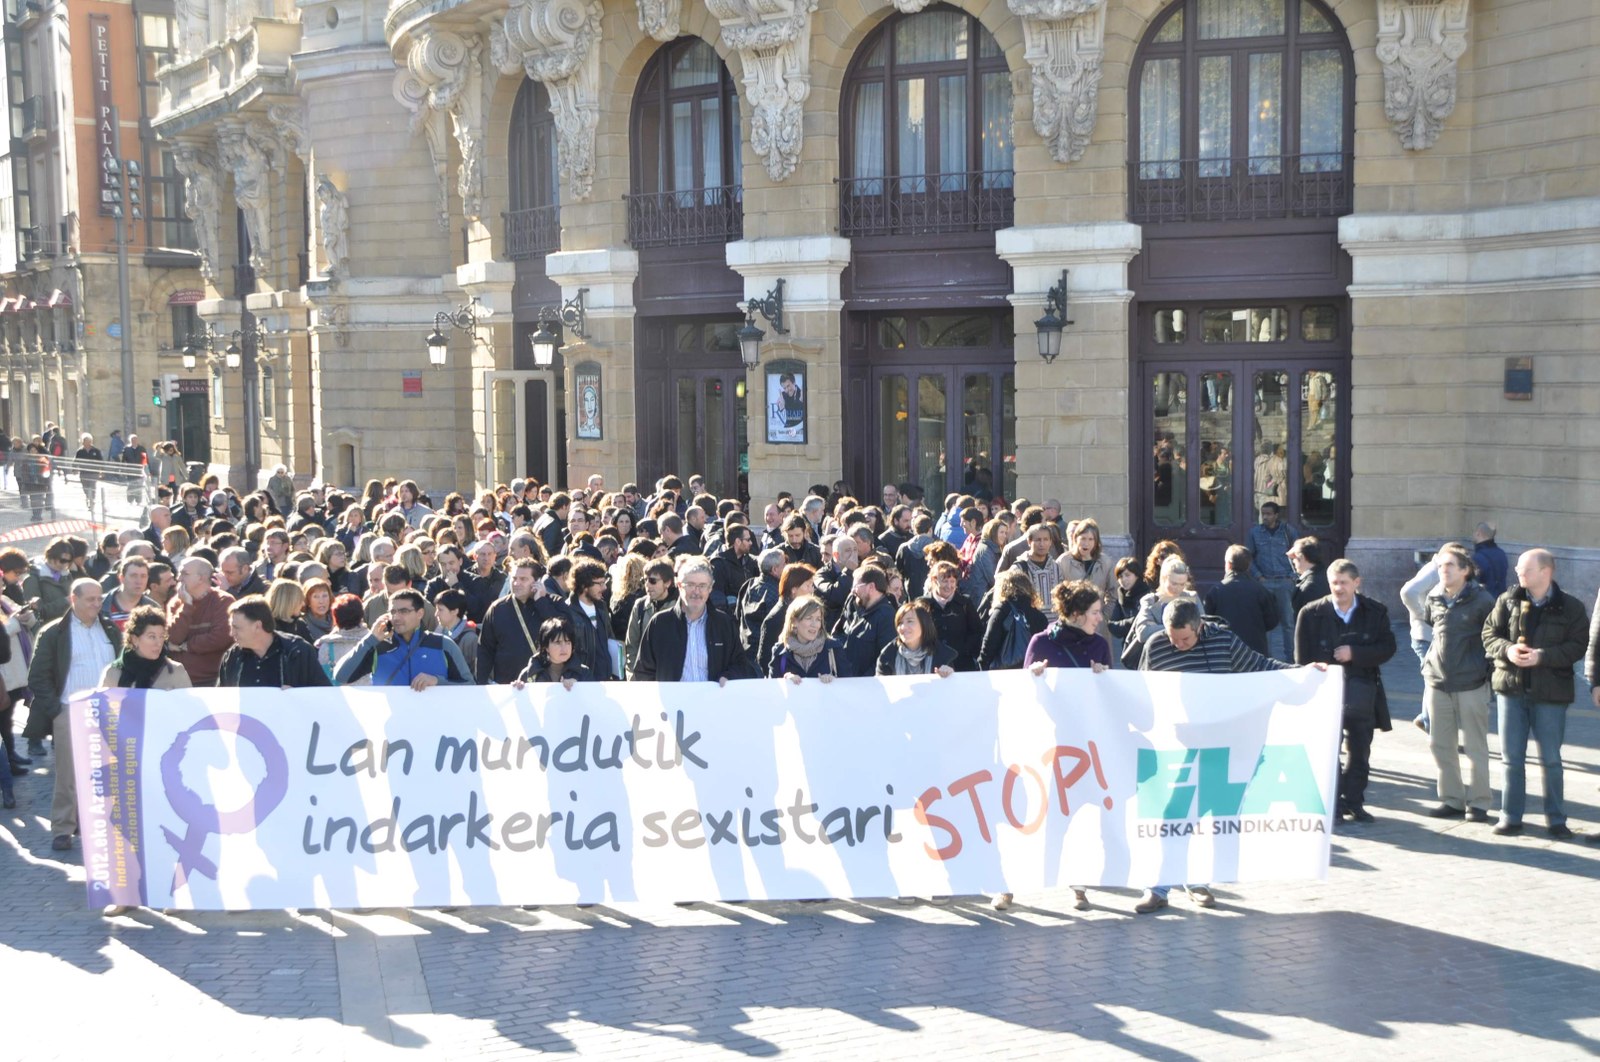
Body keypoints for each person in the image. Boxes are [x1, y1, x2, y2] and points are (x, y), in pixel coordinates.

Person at [1135, 598, 1301, 914]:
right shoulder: (1157, 646)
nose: (1178, 646)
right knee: (1173, 816)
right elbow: (1140, 689)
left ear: (1199, 627)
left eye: (1184, 639)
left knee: (1211, 817)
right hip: (1178, 748)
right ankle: (1158, 887)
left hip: (1223, 747)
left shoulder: (1223, 641)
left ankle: (1197, 882)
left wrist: (1303, 673)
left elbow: (1260, 667)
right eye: (1173, 639)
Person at [1480, 548, 1589, 839]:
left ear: (1546, 572)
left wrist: (1542, 656)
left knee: (1551, 759)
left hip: (1551, 693)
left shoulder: (1571, 607)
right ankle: (1510, 816)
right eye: (1518, 569)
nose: (1519, 574)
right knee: (1511, 758)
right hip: (1511, 690)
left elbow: (1578, 646)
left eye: (1525, 570)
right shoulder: (1508, 600)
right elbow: (1489, 634)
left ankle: (1556, 819)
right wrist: (1508, 649)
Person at [1295, 559, 1397, 824]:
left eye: (1343, 583)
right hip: (1325, 690)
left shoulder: (1375, 612)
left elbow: (1388, 647)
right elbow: (1301, 658)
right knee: (1329, 750)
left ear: (1356, 583)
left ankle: (1354, 801)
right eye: (1334, 583)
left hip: (1362, 688)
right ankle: (1333, 803)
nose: (1338, 588)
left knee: (1360, 750)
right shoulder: (1310, 613)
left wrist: (1356, 653)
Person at [27, 579, 120, 851]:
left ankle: (103, 824)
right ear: (73, 599)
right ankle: (63, 828)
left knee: (106, 771)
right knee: (68, 774)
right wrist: (57, 711)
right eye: (90, 599)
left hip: (106, 710)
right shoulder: (55, 632)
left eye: (99, 599)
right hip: (71, 710)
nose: (96, 604)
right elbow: (38, 677)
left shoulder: (110, 629)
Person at [1419, 543, 1496, 823]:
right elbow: (1432, 628)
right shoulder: (1434, 597)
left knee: (1475, 746)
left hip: (1471, 683)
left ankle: (1479, 803)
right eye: (1440, 566)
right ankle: (1451, 799)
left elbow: (1493, 638)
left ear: (1466, 571)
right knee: (1440, 744)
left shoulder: (1483, 600)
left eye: (1450, 565)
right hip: (1437, 681)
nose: (1444, 570)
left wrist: (1484, 673)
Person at [632, 558, 754, 683]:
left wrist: (728, 676)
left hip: (713, 700)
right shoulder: (659, 624)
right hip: (674, 701)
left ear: (710, 588)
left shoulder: (724, 624)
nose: (696, 591)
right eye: (690, 585)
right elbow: (643, 672)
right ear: (679, 586)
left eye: (702, 586)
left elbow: (740, 664)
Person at [333, 588, 473, 689]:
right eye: (393, 611)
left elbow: (470, 686)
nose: (397, 617)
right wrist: (371, 638)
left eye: (404, 611)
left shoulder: (442, 644)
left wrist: (437, 681)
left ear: (420, 613)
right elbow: (341, 676)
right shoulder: (379, 647)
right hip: (395, 727)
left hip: (436, 726)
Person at [216, 595, 331, 688]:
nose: (232, 633)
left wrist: (298, 696)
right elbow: (223, 699)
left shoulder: (297, 652)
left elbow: (323, 694)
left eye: (237, 627)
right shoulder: (232, 656)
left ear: (257, 626)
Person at [476, 558, 559, 684]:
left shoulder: (553, 603)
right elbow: (485, 649)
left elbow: (562, 633)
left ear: (537, 582)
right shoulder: (497, 609)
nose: (516, 583)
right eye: (514, 578)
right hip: (508, 685)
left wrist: (541, 603)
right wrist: (481, 683)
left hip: (544, 683)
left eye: (523, 579)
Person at [165, 558, 236, 687]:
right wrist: (187, 606)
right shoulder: (176, 602)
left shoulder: (223, 601)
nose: (179, 578)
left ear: (201, 578)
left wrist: (186, 646)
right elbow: (173, 638)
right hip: (178, 680)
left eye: (184, 573)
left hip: (212, 681)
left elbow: (220, 638)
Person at [1202, 546, 1281, 657]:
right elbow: (1273, 621)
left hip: (1224, 649)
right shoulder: (1261, 590)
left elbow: (1207, 619)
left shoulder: (1216, 590)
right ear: (1249, 565)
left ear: (1228, 564)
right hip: (1255, 651)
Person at [1245, 502, 1299, 660]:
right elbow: (1249, 557)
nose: (1266, 517)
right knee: (1264, 622)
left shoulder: (1288, 532)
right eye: (1263, 514)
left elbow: (1298, 553)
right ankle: (1265, 657)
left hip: (1284, 582)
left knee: (1288, 622)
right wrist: (1259, 577)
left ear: (1276, 515)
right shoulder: (1255, 532)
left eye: (1269, 514)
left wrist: (1292, 576)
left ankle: (1291, 656)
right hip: (1265, 581)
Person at [1026, 580, 1112, 673]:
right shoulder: (1040, 642)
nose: (1100, 618)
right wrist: (1033, 673)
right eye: (1095, 612)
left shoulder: (1100, 645)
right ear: (1076, 614)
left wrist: (1103, 676)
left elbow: (1110, 686)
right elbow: (1024, 684)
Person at [100, 606, 192, 690]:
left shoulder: (175, 671)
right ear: (135, 639)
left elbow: (187, 706)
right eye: (152, 637)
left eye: (161, 636)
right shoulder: (113, 673)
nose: (159, 643)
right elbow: (103, 706)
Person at [979, 568, 1049, 671]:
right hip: (1031, 673)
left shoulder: (1001, 611)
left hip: (1003, 675)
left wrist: (982, 669)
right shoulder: (1039, 616)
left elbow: (988, 646)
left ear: (1002, 589)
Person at [768, 595, 849, 680]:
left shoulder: (833, 648)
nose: (814, 625)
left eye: (818, 619)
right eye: (809, 618)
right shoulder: (780, 652)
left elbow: (849, 685)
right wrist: (785, 682)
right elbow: (773, 690)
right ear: (794, 621)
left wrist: (834, 681)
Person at [839, 565, 897, 678]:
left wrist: (863, 681)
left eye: (856, 586)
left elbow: (886, 657)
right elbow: (838, 634)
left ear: (871, 587)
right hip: (847, 681)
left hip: (868, 687)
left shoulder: (886, 616)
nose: (852, 590)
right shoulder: (855, 608)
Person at [923, 559, 982, 671]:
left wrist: (965, 649)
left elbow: (976, 631)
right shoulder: (922, 604)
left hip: (962, 665)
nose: (949, 586)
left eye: (952, 581)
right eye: (945, 581)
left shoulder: (965, 603)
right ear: (934, 580)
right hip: (932, 665)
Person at [624, 557, 677, 678]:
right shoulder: (640, 605)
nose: (647, 585)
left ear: (668, 582)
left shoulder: (681, 606)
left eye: (653, 581)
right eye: (645, 580)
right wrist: (632, 674)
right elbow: (631, 645)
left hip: (673, 677)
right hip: (644, 677)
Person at [876, 599, 957, 677]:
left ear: (924, 624)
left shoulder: (942, 656)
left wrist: (949, 674)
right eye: (900, 623)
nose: (903, 627)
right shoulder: (887, 656)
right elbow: (880, 689)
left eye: (910, 621)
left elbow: (951, 688)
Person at [513, 617, 596, 688]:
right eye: (557, 642)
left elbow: (592, 701)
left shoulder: (583, 673)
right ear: (546, 647)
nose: (564, 648)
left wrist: (578, 687)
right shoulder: (529, 673)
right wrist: (518, 689)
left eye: (568, 642)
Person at [316, 593, 371, 681]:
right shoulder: (373, 641)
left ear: (335, 617)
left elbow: (322, 677)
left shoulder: (326, 646)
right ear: (361, 614)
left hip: (336, 693)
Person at [1472, 521, 1509, 598]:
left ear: (1478, 533)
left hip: (1485, 601)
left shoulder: (1477, 557)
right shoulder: (1501, 553)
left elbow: (1474, 583)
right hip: (1501, 598)